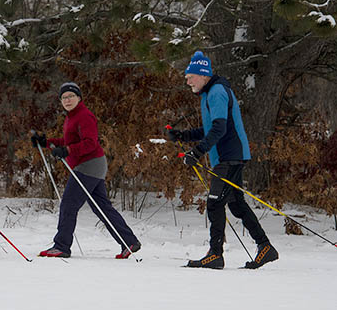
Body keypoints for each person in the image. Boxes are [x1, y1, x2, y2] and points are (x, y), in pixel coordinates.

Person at [168, 51, 279, 269]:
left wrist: (197, 152)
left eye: (190, 76)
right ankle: (265, 247)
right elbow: (211, 128)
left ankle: (215, 254)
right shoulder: (210, 93)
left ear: (203, 75)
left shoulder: (217, 92)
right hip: (230, 156)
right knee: (236, 204)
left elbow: (220, 128)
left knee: (215, 203)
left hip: (229, 156)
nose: (187, 80)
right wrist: (184, 136)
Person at [32, 82, 141, 259]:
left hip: (89, 164)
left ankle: (61, 246)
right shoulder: (71, 117)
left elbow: (90, 143)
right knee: (101, 207)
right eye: (64, 97)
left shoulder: (84, 116)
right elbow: (69, 141)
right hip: (92, 165)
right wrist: (46, 142)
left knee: (68, 203)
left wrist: (67, 151)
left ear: (79, 98)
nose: (67, 100)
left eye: (71, 96)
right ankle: (128, 241)